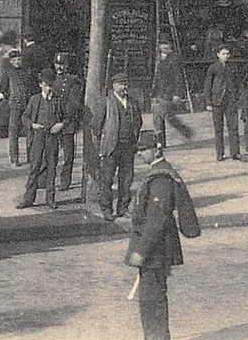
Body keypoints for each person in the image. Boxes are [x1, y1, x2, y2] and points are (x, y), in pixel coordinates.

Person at [125, 131, 200, 340]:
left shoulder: (161, 178)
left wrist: (141, 251)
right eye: (138, 150)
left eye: (143, 150)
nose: (139, 154)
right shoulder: (157, 173)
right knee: (147, 295)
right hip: (154, 247)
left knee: (153, 296)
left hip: (157, 248)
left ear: (157, 149)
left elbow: (156, 220)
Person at [92, 72, 143, 221]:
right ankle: (107, 209)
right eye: (121, 84)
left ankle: (123, 208)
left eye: (126, 84)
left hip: (128, 146)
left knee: (126, 179)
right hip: (111, 146)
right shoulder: (106, 102)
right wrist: (102, 142)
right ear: (114, 85)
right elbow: (96, 125)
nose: (124, 87)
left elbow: (138, 121)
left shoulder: (132, 102)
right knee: (107, 179)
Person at [16, 69, 64, 209]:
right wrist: (32, 125)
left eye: (51, 85)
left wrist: (60, 125)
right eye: (46, 85)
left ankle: (50, 198)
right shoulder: (34, 100)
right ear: (40, 85)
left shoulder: (57, 100)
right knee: (35, 167)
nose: (49, 88)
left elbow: (67, 118)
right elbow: (24, 117)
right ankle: (28, 199)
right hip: (38, 136)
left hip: (52, 137)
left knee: (51, 167)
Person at [203, 45, 244, 161]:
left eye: (228, 54)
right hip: (217, 101)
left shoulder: (233, 67)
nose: (226, 56)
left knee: (233, 127)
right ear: (218, 54)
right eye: (224, 54)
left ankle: (235, 153)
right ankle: (220, 154)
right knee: (218, 129)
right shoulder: (213, 68)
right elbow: (207, 86)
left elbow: (238, 83)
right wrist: (208, 102)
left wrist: (238, 98)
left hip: (230, 101)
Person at [151, 37, 192, 148]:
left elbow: (179, 77)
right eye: (162, 44)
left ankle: (184, 131)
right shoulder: (157, 58)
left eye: (166, 43)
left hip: (169, 92)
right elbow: (156, 77)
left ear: (171, 45)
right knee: (159, 117)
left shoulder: (174, 58)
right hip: (159, 92)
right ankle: (162, 142)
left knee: (165, 116)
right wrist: (153, 93)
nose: (164, 46)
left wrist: (177, 94)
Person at [0, 49, 37, 166]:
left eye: (19, 59)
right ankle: (14, 159)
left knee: (30, 131)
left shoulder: (27, 73)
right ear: (10, 61)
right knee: (13, 131)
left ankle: (31, 157)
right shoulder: (8, 74)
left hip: (27, 107)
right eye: (14, 60)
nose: (17, 62)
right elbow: (3, 90)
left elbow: (34, 88)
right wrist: (11, 99)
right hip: (15, 106)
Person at [52, 51, 83, 189]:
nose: (59, 67)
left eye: (62, 64)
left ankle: (65, 180)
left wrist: (65, 121)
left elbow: (73, 103)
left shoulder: (72, 81)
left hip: (67, 122)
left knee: (68, 155)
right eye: (57, 64)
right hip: (52, 121)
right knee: (49, 153)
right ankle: (45, 180)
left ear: (67, 65)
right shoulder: (50, 79)